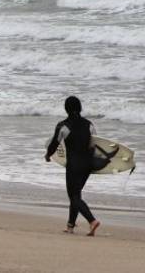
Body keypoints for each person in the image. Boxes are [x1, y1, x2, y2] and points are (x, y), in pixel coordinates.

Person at [45, 96, 101, 236]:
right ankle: (70, 226)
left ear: (66, 109)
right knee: (76, 194)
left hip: (74, 165)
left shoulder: (63, 125)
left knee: (74, 196)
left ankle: (92, 221)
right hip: (88, 165)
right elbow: (94, 145)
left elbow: (54, 144)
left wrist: (48, 155)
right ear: (80, 107)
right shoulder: (90, 124)